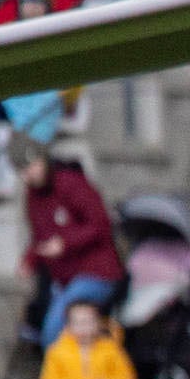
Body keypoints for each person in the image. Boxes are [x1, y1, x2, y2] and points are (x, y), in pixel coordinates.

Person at [17, 143, 124, 350]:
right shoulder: (32, 196)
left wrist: (65, 243)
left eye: (33, 165)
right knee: (41, 320)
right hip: (64, 278)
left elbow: (101, 224)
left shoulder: (71, 184)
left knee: (56, 325)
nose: (30, 173)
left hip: (97, 273)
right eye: (24, 169)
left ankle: (57, 375)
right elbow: (40, 237)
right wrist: (29, 260)